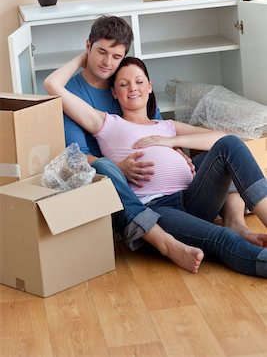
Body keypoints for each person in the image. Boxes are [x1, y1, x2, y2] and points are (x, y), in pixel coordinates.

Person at [45, 54, 267, 278]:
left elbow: (221, 138)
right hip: (160, 210)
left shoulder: (167, 126)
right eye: (123, 84)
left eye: (139, 82)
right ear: (114, 92)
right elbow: (52, 85)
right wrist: (86, 56)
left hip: (193, 197)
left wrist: (172, 141)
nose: (133, 88)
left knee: (230, 145)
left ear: (150, 87)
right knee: (223, 238)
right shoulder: (106, 123)